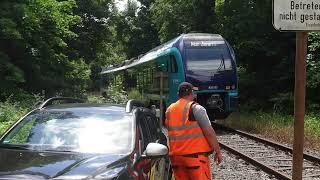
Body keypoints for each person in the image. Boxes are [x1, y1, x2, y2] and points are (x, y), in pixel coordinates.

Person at [165, 82, 222, 180]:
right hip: (195, 159)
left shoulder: (169, 110)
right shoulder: (196, 109)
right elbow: (209, 132)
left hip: (176, 159)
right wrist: (217, 150)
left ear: (179, 94)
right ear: (192, 93)